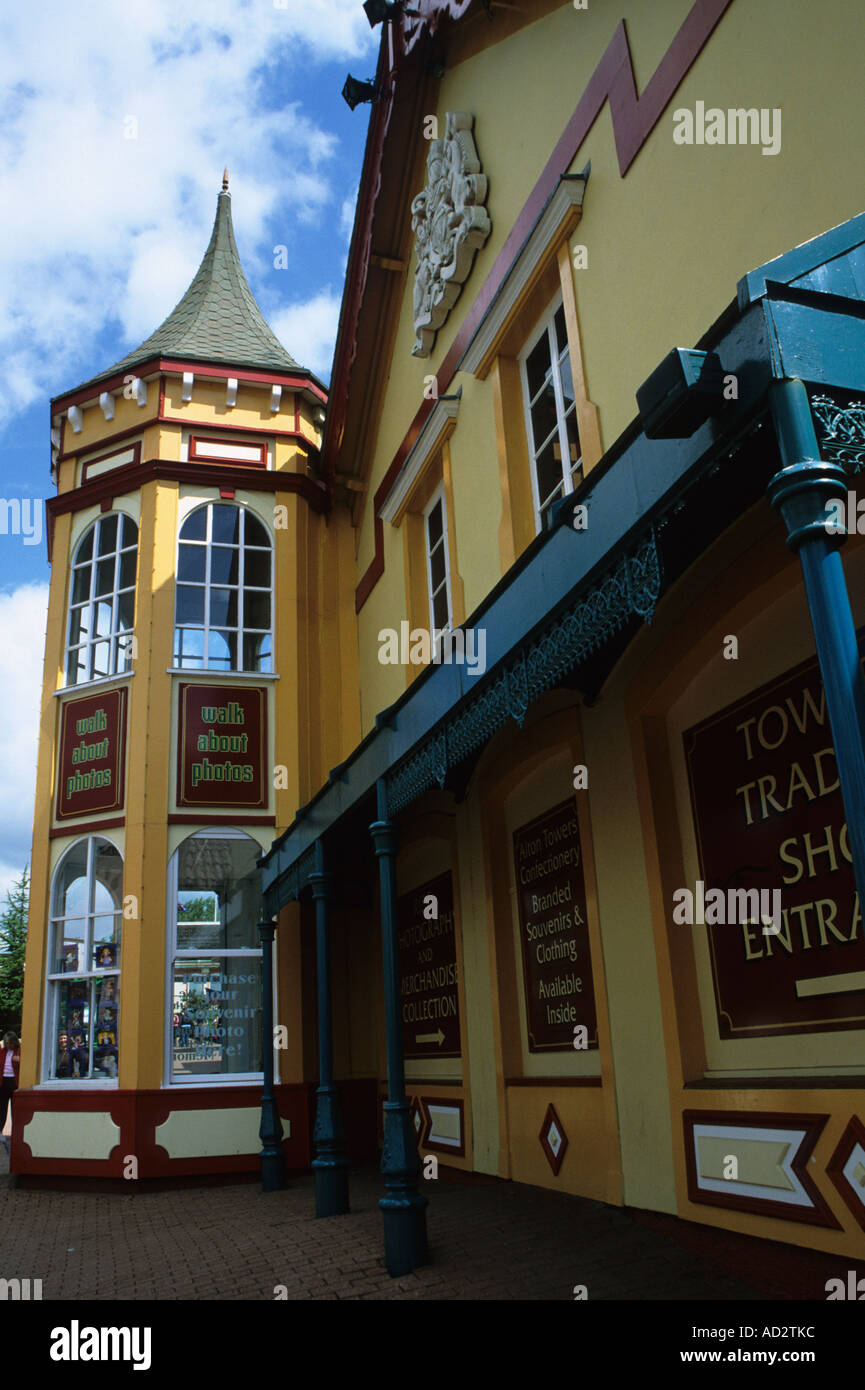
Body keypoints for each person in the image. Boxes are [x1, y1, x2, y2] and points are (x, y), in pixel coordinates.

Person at [0, 1031, 20, 1151]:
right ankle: (0, 1131)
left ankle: (16, 1133)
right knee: (1, 1107)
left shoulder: (19, 1051)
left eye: (10, 1043)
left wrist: (20, 1060)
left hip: (14, 1082)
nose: (8, 1045)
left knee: (15, 1109)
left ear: (14, 1042)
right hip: (3, 1082)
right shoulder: (2, 1052)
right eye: (6, 1043)